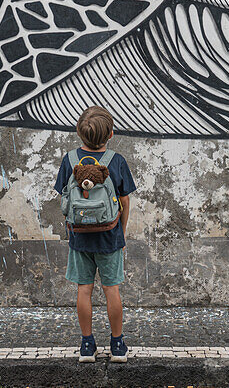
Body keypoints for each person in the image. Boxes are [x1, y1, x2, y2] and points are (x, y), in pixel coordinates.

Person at [53, 105, 136, 363]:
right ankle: (118, 345)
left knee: (84, 290)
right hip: (110, 236)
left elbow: (63, 200)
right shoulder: (117, 161)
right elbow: (125, 201)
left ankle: (87, 345)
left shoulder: (69, 160)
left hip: (80, 237)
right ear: (111, 134)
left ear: (79, 133)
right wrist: (120, 233)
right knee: (111, 290)